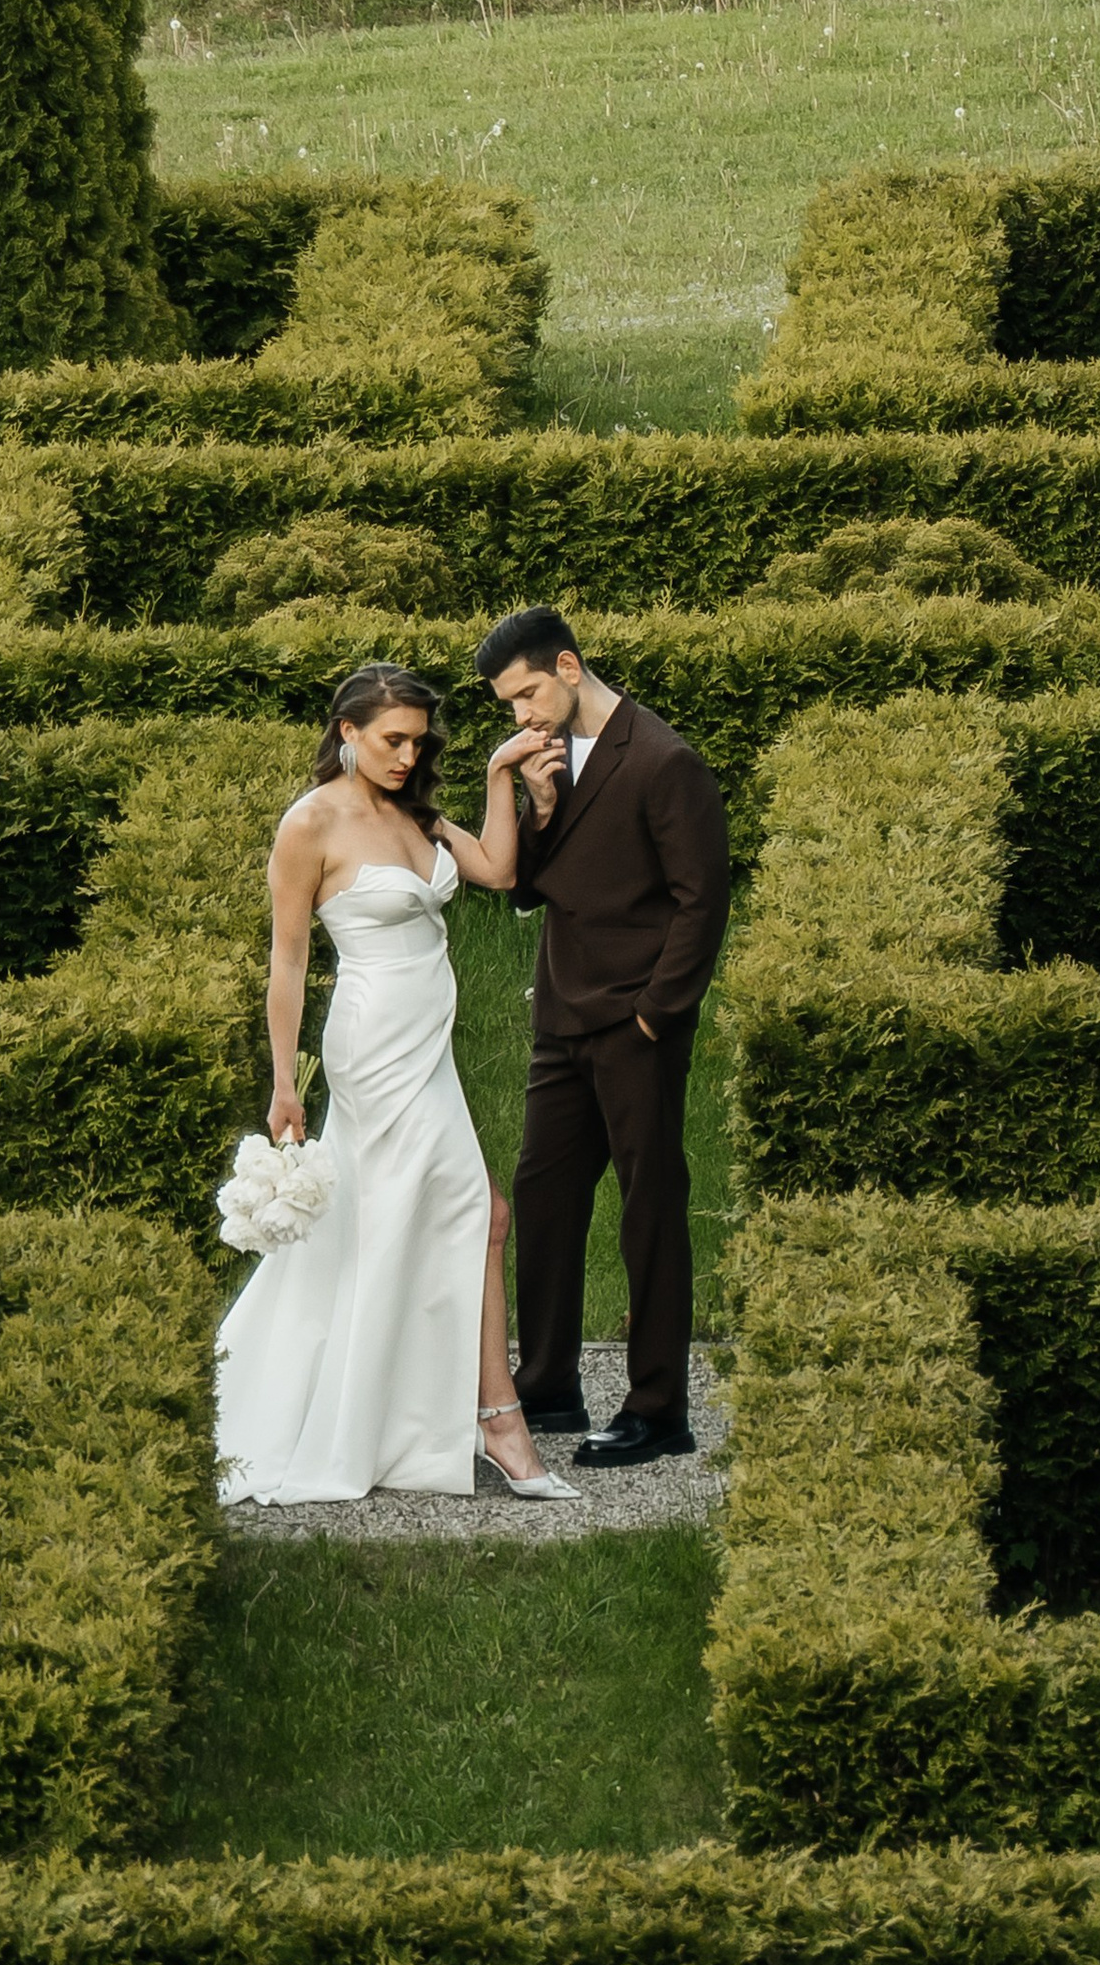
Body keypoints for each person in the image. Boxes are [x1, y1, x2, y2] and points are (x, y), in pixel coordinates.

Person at [216, 662, 572, 1507]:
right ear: (347, 733)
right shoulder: (311, 824)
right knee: (481, 1209)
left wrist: (498, 778)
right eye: (391, 740)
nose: (408, 755)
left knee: (405, 1215)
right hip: (374, 1042)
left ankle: (416, 1402)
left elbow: (492, 870)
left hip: (428, 1038)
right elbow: (290, 959)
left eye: (418, 741)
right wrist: (283, 1082)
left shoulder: (415, 812)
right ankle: (498, 1418)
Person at [476, 607, 733, 1470]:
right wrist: (540, 802)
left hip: (635, 1025)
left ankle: (660, 1409)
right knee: (542, 1197)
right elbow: (526, 892)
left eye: (526, 695)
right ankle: (548, 1383)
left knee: (648, 1206)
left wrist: (658, 1014)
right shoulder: (554, 757)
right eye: (508, 705)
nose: (521, 717)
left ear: (570, 666)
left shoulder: (666, 761)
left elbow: (703, 901)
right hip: (561, 1017)